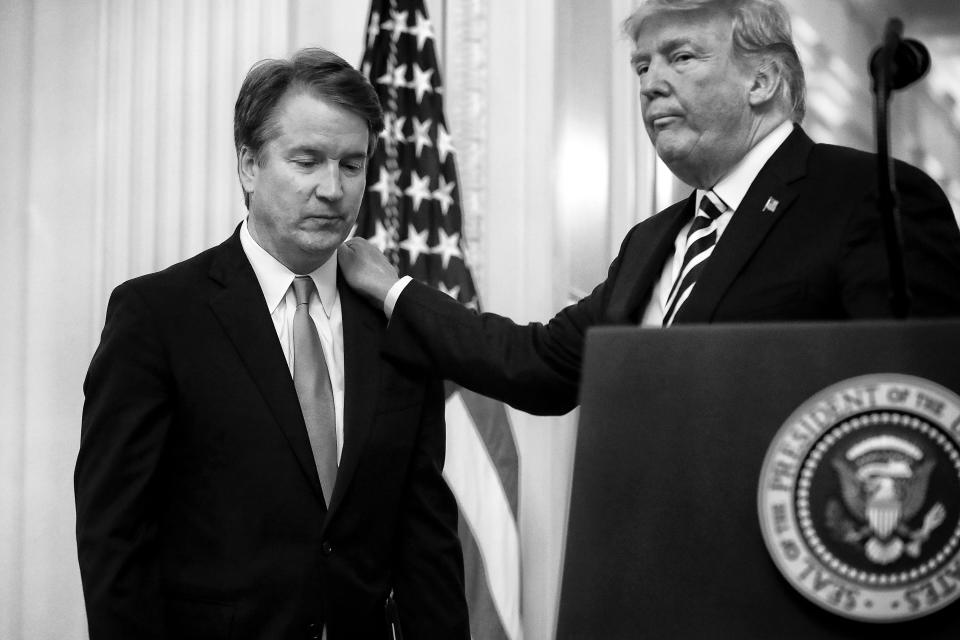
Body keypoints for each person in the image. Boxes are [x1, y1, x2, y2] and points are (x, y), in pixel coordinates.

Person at [337, 0, 960, 415]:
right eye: (642, 65)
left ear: (762, 81)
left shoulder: (868, 197)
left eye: (681, 57)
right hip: (648, 570)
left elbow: (911, 407)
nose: (650, 82)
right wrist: (396, 293)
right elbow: (540, 365)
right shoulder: (653, 239)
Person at [75, 48, 469, 640]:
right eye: (306, 160)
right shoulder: (157, 316)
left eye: (352, 164)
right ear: (249, 166)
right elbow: (115, 538)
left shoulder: (394, 322)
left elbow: (427, 541)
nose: (332, 189)